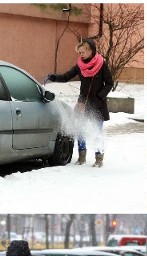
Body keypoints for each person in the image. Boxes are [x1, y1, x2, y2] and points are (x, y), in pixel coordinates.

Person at [47, 38, 113, 167]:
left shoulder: (101, 65)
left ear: (90, 51)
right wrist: (54, 77)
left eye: (83, 52)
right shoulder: (80, 65)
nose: (81, 55)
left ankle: (99, 159)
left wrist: (100, 97)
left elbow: (109, 83)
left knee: (97, 133)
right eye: (80, 52)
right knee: (81, 131)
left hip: (98, 105)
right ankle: (81, 157)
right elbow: (67, 76)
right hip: (82, 105)